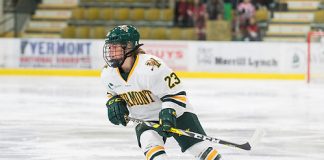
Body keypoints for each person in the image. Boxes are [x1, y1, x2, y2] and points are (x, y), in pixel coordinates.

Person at [101, 25, 222, 160]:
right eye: (109, 46)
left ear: (129, 47)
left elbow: (177, 93)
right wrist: (114, 102)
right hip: (145, 120)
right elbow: (112, 91)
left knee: (200, 150)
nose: (110, 51)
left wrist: (169, 111)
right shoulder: (108, 73)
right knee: (152, 149)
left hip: (177, 114)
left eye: (115, 46)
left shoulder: (152, 67)